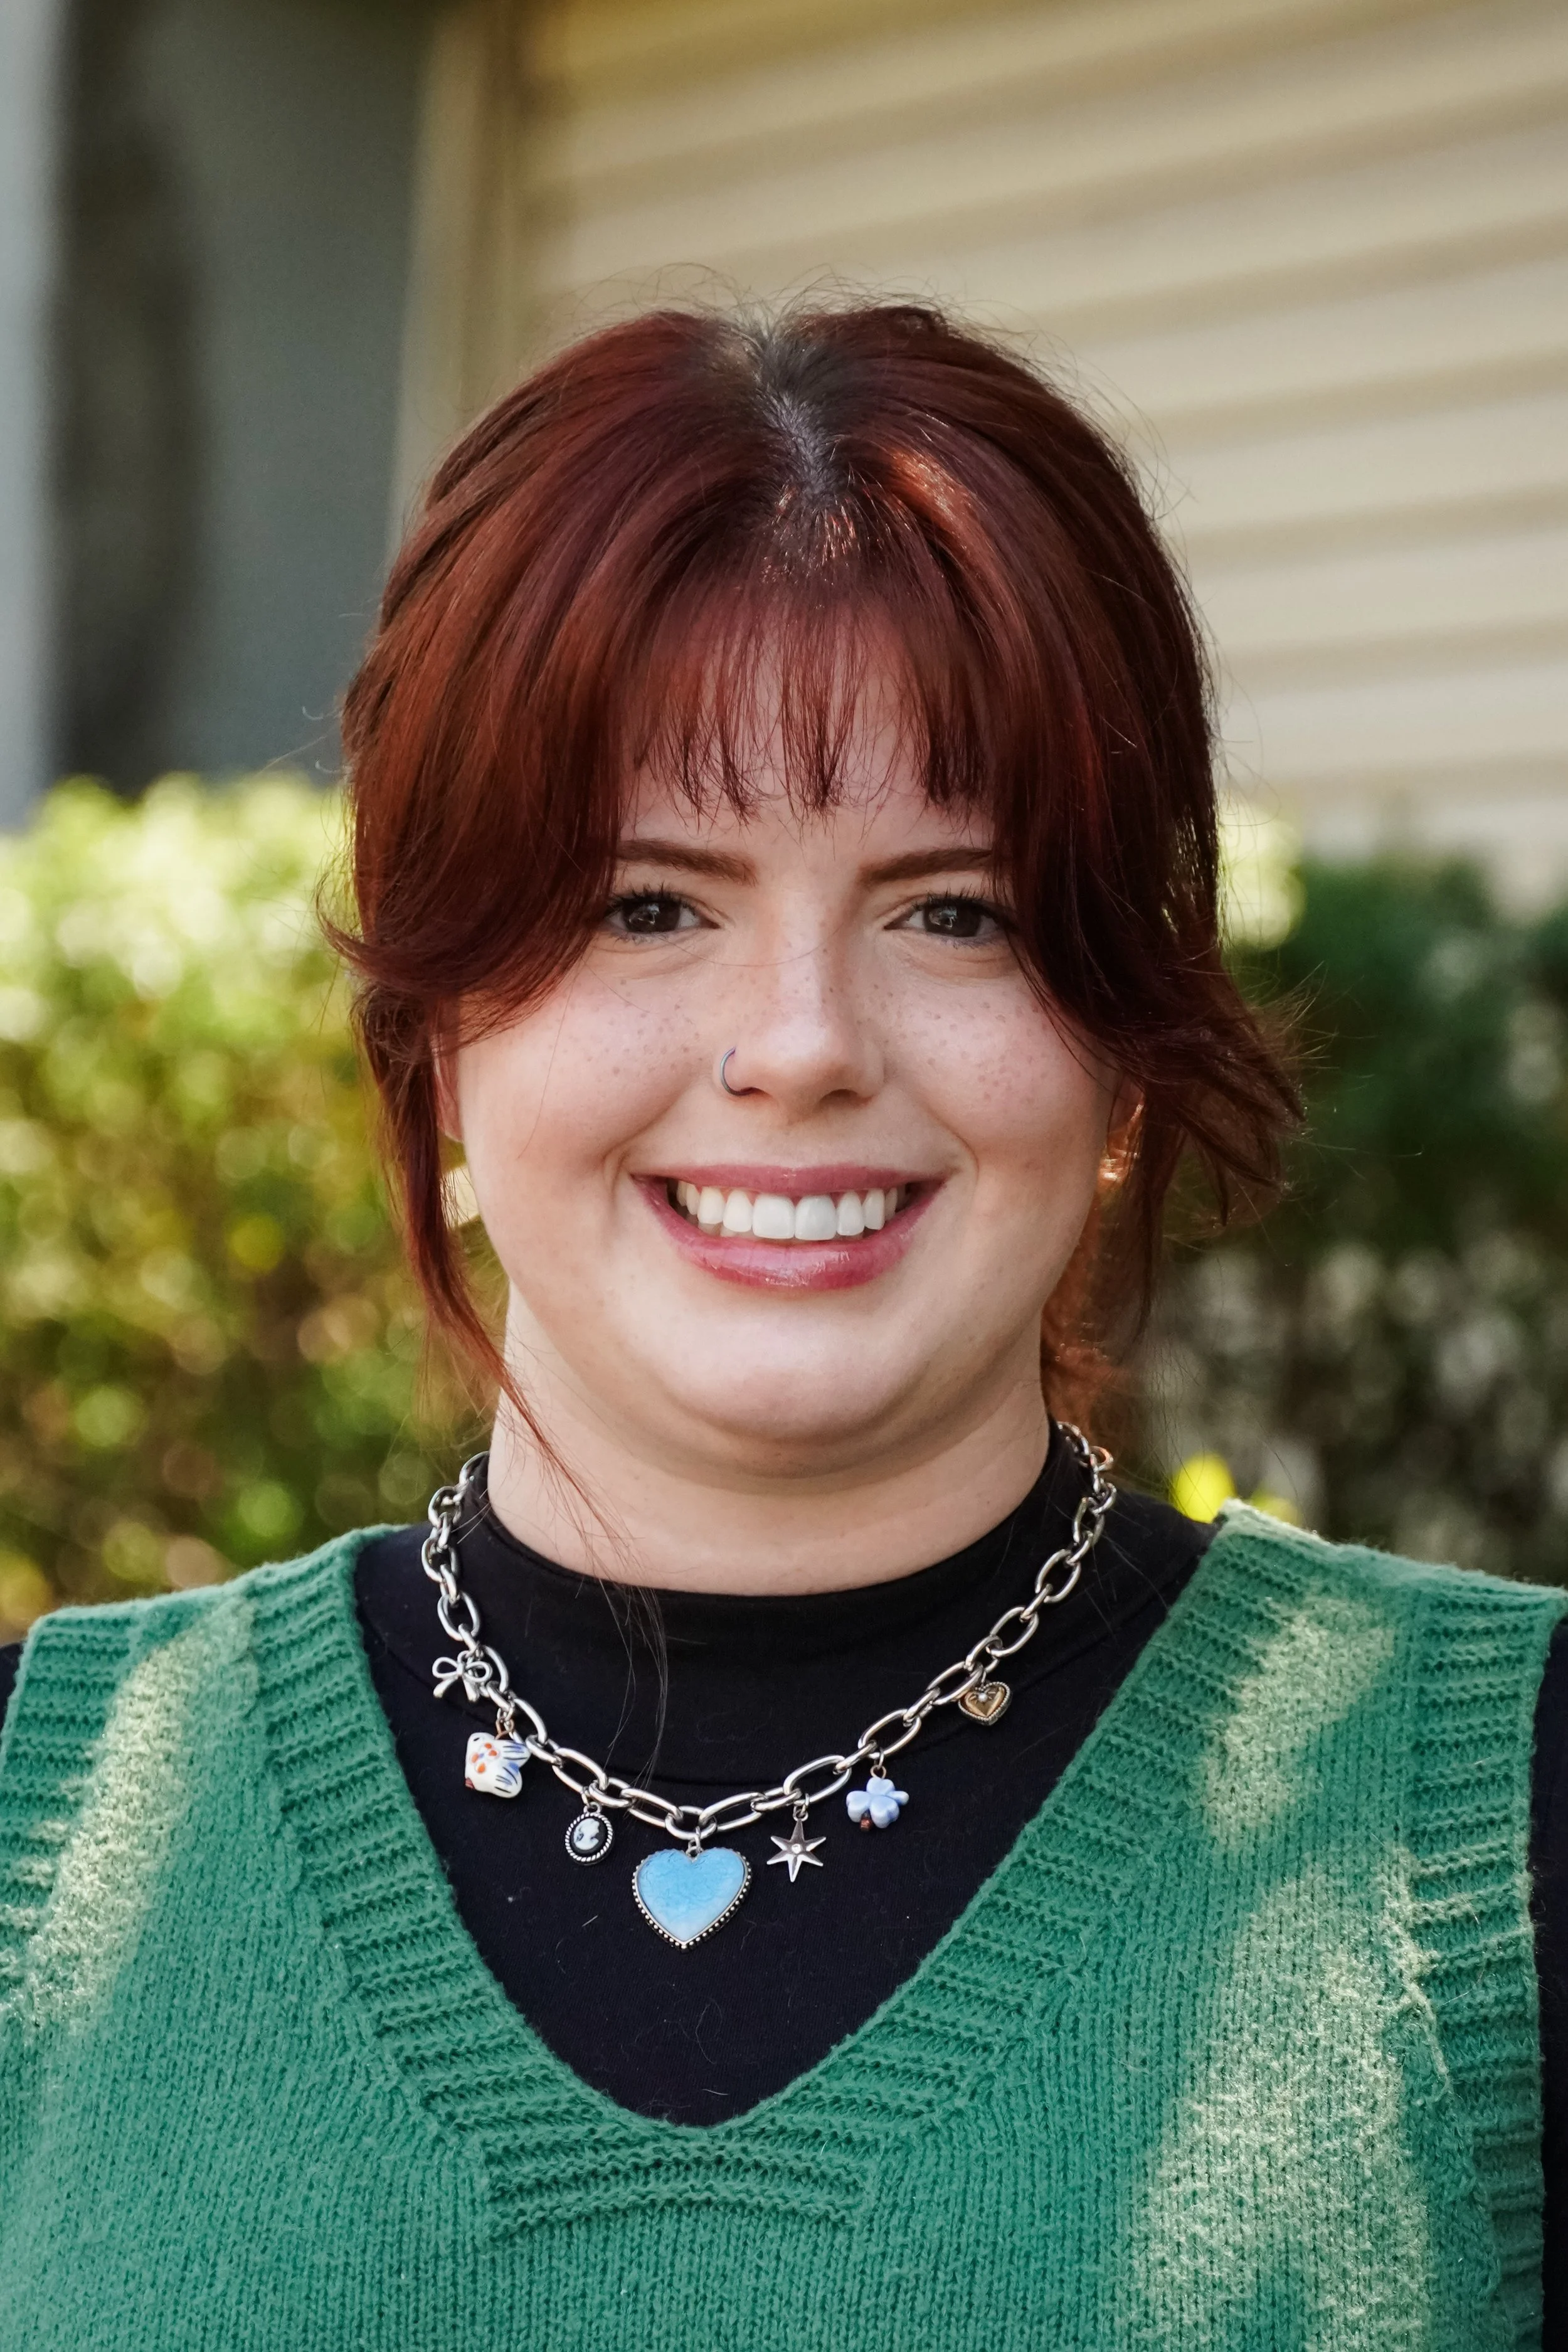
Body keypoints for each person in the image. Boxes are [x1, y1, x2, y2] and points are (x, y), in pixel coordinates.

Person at [0, 302, 1562, 2350]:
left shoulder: (1501, 1827)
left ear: (1119, 1043)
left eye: (955, 908)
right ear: (440, 1035)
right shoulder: (54, 1823)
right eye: (650, 902)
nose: (802, 1045)